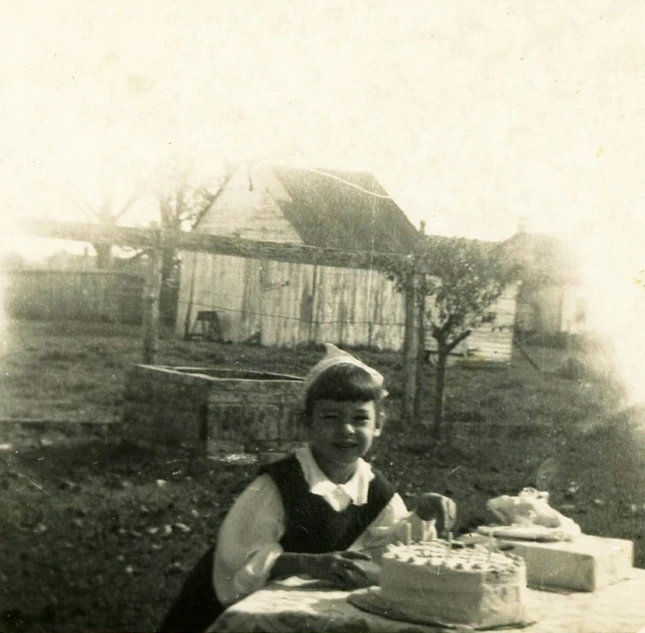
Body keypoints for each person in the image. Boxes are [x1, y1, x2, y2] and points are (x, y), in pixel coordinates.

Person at [158, 344, 457, 633]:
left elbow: (390, 548)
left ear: (378, 424)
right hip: (227, 613)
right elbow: (236, 565)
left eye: (360, 418)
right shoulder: (279, 485)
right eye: (331, 417)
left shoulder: (376, 489)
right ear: (307, 423)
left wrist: (421, 516)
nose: (346, 430)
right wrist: (309, 563)